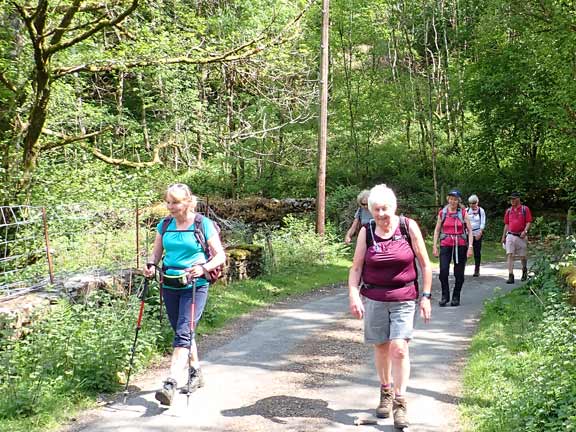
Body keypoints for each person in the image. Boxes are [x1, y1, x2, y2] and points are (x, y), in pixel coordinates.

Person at [348, 184, 432, 429]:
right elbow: (355, 268)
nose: (381, 213)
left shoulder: (408, 226)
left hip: (404, 298)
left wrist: (425, 296)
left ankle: (400, 401)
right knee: (382, 348)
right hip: (374, 299)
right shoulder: (367, 231)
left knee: (399, 349)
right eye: (376, 209)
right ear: (370, 210)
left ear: (393, 207)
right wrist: (354, 294)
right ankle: (385, 390)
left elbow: (426, 265)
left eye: (385, 208)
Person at [143, 183, 226, 406]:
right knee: (184, 331)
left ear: (188, 202)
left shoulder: (203, 224)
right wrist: (151, 265)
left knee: (183, 332)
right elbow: (157, 252)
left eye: (176, 202)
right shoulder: (165, 225)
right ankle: (196, 372)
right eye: (168, 202)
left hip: (195, 285)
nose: (171, 207)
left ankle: (170, 382)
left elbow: (220, 256)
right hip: (169, 283)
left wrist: (204, 268)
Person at [432, 189, 473, 307]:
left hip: (460, 246)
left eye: (455, 199)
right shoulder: (443, 212)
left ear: (458, 200)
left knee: (459, 273)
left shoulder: (463, 213)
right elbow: (437, 229)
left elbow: (470, 230)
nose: (453, 201)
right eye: (451, 198)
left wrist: (470, 247)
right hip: (446, 245)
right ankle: (445, 296)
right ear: (448, 199)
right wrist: (435, 246)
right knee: (443, 272)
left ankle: (456, 296)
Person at [500, 191, 532, 284]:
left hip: (521, 236)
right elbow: (506, 224)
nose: (512, 200)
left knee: (523, 256)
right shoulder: (509, 211)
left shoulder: (524, 209)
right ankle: (511, 275)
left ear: (518, 199)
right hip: (510, 235)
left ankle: (524, 269)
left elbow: (529, 221)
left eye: (514, 198)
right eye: (511, 199)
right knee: (510, 254)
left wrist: (525, 231)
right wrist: (503, 236)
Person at [466, 195, 486, 277]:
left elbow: (483, 222)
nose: (472, 205)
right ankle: (461, 268)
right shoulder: (466, 211)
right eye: (470, 203)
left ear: (477, 202)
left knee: (477, 252)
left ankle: (477, 269)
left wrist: (480, 232)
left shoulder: (481, 211)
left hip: (477, 233)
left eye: (473, 203)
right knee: (464, 251)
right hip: (468, 234)